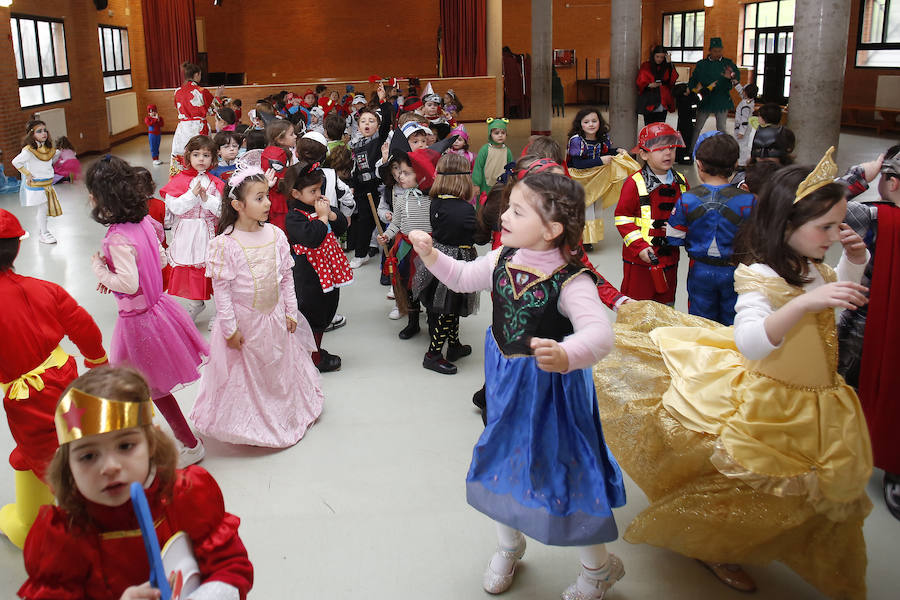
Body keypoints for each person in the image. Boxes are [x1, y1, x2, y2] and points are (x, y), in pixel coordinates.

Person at [594, 149, 873, 598]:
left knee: (813, 486)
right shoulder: (761, 275)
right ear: (785, 226)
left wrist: (853, 262)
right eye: (825, 227)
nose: (834, 237)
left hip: (815, 399)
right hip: (768, 400)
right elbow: (751, 342)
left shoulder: (814, 267)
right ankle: (716, 546)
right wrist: (803, 304)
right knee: (745, 486)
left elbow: (831, 311)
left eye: (838, 227)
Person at [410, 172, 625, 599]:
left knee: (566, 475)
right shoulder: (503, 256)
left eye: (517, 211)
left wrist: (567, 354)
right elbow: (464, 277)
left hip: (554, 396)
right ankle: (509, 545)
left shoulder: (573, 279)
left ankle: (596, 568)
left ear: (552, 230)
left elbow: (600, 335)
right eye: (507, 207)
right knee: (500, 461)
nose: (503, 215)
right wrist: (432, 256)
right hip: (507, 385)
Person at [18, 367, 254, 599]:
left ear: (151, 445)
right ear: (68, 466)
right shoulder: (61, 536)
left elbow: (230, 565)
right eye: (88, 456)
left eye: (125, 446)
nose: (109, 467)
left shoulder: (186, 496)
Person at [88, 155, 209, 468]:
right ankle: (165, 440)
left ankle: (184, 444)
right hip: (158, 309)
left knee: (141, 388)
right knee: (149, 388)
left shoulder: (116, 238)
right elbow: (156, 260)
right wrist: (114, 272)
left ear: (103, 199)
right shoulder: (142, 222)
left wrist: (101, 270)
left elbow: (128, 284)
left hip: (137, 322)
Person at [192, 165, 324, 447]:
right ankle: (251, 421)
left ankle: (284, 409)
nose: (267, 203)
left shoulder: (275, 235)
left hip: (275, 318)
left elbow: (286, 277)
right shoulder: (224, 244)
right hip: (244, 324)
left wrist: (291, 310)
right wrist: (229, 328)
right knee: (248, 374)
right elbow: (222, 292)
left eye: (267, 196)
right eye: (260, 198)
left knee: (277, 366)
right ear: (238, 205)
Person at [0, 209, 108, 549]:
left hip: (26, 398)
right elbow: (83, 325)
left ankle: (81, 520)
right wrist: (97, 360)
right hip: (65, 378)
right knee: (76, 433)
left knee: (47, 457)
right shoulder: (42, 288)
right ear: (17, 249)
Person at [838, 146, 900, 521]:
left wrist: (862, 172)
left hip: (868, 322)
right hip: (872, 321)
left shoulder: (877, 217)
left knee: (847, 385)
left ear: (889, 181)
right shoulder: (880, 220)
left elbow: (813, 199)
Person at [666, 132, 754, 325]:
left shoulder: (687, 198)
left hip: (700, 269)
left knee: (701, 321)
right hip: (735, 271)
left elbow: (674, 237)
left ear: (699, 165)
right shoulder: (749, 201)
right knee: (734, 319)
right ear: (735, 165)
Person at [411, 154, 479, 375]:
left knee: (451, 306)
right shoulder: (465, 209)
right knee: (449, 310)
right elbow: (478, 236)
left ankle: (455, 345)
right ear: (462, 179)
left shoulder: (438, 201)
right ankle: (433, 354)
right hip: (457, 262)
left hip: (439, 257)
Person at [284, 160, 353, 374]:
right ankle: (312, 357)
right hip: (309, 275)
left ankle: (316, 349)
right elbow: (312, 238)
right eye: (312, 190)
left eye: (320, 189)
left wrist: (332, 215)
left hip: (329, 271)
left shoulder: (321, 206)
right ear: (296, 194)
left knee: (327, 307)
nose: (318, 194)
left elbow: (342, 226)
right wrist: (323, 218)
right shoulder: (294, 217)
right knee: (311, 312)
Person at [614, 122, 687, 305]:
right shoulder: (634, 183)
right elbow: (623, 219)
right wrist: (640, 247)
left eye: (671, 147)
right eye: (660, 148)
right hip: (639, 261)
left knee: (666, 306)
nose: (668, 152)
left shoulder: (681, 182)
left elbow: (688, 217)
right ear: (644, 154)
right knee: (637, 309)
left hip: (670, 259)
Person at [160, 135, 225, 327]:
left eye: (206, 155)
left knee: (213, 272)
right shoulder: (178, 181)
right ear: (188, 157)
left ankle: (221, 312)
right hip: (186, 233)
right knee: (189, 272)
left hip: (208, 232)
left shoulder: (216, 183)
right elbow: (176, 208)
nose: (201, 159)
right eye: (196, 154)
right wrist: (192, 194)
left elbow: (222, 211)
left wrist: (207, 199)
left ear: (213, 158)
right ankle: (196, 304)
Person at [377, 151, 432, 340]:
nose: (400, 176)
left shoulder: (431, 198)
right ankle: (413, 322)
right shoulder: (400, 199)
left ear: (420, 174)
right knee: (407, 284)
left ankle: (432, 318)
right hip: (406, 247)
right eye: (399, 173)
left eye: (406, 173)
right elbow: (396, 223)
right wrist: (386, 235)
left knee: (428, 283)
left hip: (427, 247)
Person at [566, 108, 637, 246]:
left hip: (596, 176)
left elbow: (606, 151)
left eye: (594, 121)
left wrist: (617, 151)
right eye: (586, 122)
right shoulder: (576, 141)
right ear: (580, 124)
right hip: (579, 178)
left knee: (595, 205)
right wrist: (601, 161)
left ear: (600, 122)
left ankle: (590, 238)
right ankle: (581, 239)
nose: (591, 124)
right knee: (584, 206)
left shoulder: (602, 138)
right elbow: (577, 163)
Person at [348, 82, 393, 268]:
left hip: (377, 189)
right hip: (360, 189)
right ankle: (363, 253)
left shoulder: (379, 140)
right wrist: (351, 184)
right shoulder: (356, 144)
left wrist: (382, 100)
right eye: (363, 121)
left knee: (375, 221)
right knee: (364, 221)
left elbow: (387, 121)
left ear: (378, 125)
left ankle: (364, 254)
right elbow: (355, 168)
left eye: (371, 121)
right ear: (358, 126)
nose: (367, 124)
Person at [12, 120, 62, 245]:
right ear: (32, 134)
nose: (43, 133)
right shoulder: (29, 150)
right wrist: (27, 173)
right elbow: (16, 162)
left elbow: (53, 156)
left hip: (47, 184)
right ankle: (44, 233)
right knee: (43, 208)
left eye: (45, 130)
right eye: (39, 131)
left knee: (43, 209)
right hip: (37, 185)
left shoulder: (47, 148)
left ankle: (42, 231)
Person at [170, 61, 223, 175]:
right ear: (197, 74)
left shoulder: (177, 91)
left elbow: (178, 107)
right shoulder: (202, 91)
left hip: (183, 127)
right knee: (201, 152)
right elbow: (213, 111)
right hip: (198, 127)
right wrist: (218, 96)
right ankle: (202, 177)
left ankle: (181, 178)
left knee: (182, 152)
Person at [687, 37, 740, 151]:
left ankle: (725, 151)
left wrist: (731, 77)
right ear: (710, 50)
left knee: (721, 127)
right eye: (715, 51)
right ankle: (690, 151)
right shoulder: (702, 64)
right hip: (705, 98)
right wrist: (690, 89)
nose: (718, 53)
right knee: (697, 127)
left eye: (720, 50)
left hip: (721, 99)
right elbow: (694, 79)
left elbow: (736, 77)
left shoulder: (728, 63)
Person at [261, 120, 298, 232]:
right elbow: (282, 181)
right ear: (280, 139)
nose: (295, 136)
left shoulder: (270, 150)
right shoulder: (279, 154)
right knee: (280, 232)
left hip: (272, 197)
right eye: (291, 134)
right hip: (278, 200)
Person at [636, 45, 678, 126]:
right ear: (653, 55)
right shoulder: (646, 65)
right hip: (650, 98)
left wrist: (669, 63)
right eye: (657, 56)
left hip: (663, 99)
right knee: (649, 126)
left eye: (662, 57)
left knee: (660, 125)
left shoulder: (667, 66)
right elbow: (640, 80)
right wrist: (648, 85)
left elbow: (672, 79)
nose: (659, 59)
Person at [472, 118, 514, 198]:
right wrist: (476, 184)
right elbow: (478, 167)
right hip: (485, 185)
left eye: (503, 133)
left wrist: (510, 181)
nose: (500, 135)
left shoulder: (507, 151)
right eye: (496, 133)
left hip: (502, 185)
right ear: (490, 134)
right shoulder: (485, 150)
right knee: (484, 205)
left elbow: (511, 168)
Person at [733, 83, 758, 168]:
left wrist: (741, 132)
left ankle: (741, 164)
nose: (742, 91)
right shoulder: (748, 100)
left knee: (742, 146)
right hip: (742, 127)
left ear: (746, 93)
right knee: (741, 144)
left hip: (742, 128)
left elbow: (744, 120)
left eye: (744, 90)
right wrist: (735, 82)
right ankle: (739, 162)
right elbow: (740, 91)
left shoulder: (746, 105)